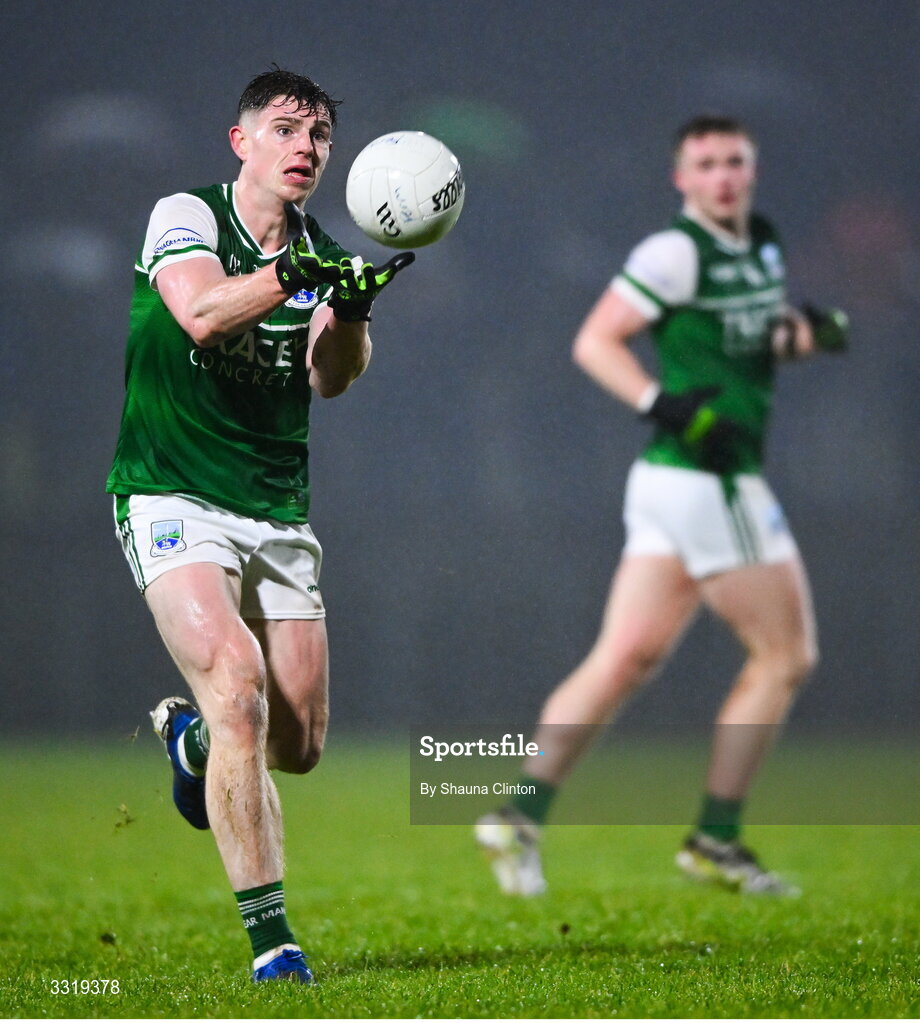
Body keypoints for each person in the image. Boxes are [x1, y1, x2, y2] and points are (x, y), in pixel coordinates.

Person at [475, 115, 848, 898]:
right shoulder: (674, 251)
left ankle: (517, 814)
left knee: (625, 657)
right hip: (712, 479)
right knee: (786, 657)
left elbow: (747, 340)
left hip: (672, 486)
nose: (722, 176)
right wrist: (661, 402)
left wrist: (806, 335)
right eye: (704, 164)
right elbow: (595, 340)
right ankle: (715, 838)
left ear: (753, 169)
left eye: (734, 161)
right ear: (680, 178)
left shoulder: (761, 243)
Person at [106, 66, 413, 982]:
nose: (305, 147)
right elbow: (201, 313)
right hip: (170, 491)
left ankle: (193, 744)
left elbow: (333, 376)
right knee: (237, 685)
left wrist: (351, 308)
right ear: (241, 141)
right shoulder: (188, 215)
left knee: (299, 742)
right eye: (285, 129)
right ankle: (274, 944)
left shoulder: (322, 252)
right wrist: (289, 275)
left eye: (319, 135)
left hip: (274, 506)